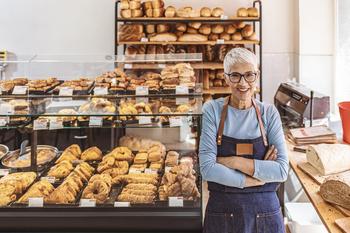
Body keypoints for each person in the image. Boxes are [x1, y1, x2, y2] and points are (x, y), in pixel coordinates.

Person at [199, 47, 289, 233]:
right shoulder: (212, 110)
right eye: (235, 76)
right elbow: (207, 169)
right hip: (222, 212)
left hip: (266, 213)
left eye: (249, 75)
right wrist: (253, 178)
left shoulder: (269, 113)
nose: (243, 83)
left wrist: (231, 161)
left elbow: (281, 170)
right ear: (226, 78)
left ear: (257, 76)